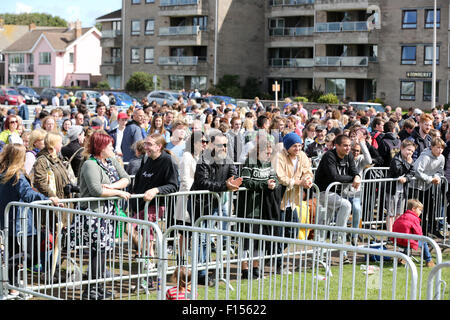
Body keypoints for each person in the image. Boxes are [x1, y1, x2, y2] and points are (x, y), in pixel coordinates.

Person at [72, 131, 131, 300]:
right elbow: (96, 190)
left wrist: (111, 188)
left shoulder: (111, 161)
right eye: (109, 145)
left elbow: (126, 178)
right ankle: (89, 290)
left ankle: (98, 288)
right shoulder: (90, 164)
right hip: (93, 214)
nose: (112, 148)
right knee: (97, 252)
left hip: (108, 213)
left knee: (103, 252)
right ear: (101, 147)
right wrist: (117, 193)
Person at [0, 144, 60, 296]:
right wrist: (48, 199)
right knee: (29, 255)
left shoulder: (4, 172)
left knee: (14, 253)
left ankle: (12, 285)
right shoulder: (16, 175)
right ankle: (11, 284)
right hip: (20, 223)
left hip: (10, 221)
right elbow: (28, 194)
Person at [190, 131, 242, 286]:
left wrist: (234, 183)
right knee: (201, 238)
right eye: (220, 145)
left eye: (225, 145)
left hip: (215, 203)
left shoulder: (228, 159)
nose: (223, 148)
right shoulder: (204, 160)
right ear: (212, 145)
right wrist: (224, 186)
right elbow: (203, 182)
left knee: (208, 239)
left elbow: (233, 175)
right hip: (200, 203)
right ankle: (202, 272)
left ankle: (207, 268)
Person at [237, 138, 282, 279]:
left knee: (259, 240)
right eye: (266, 153)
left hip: (263, 208)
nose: (268, 155)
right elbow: (245, 181)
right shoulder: (249, 163)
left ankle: (256, 267)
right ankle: (244, 269)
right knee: (245, 240)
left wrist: (274, 184)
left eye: (270, 153)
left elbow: (275, 178)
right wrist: (264, 185)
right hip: (247, 207)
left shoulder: (269, 164)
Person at [132, 133, 179, 265]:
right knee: (144, 233)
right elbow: (140, 178)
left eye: (149, 144)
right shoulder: (146, 159)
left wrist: (156, 190)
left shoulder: (167, 160)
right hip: (139, 203)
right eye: (145, 143)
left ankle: (150, 261)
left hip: (154, 204)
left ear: (159, 146)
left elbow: (174, 185)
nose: (145, 147)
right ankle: (150, 261)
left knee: (135, 229)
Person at [314, 134, 361, 245]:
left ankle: (323, 249)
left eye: (349, 145)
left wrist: (357, 176)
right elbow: (334, 176)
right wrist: (352, 179)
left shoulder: (348, 155)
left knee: (324, 222)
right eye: (345, 146)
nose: (348, 148)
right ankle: (337, 236)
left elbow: (354, 171)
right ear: (337, 146)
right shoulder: (329, 156)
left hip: (336, 193)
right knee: (346, 205)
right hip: (323, 192)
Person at [410, 137, 445, 238]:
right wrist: (430, 179)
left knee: (430, 208)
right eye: (438, 147)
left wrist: (437, 177)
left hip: (427, 186)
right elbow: (417, 171)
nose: (440, 150)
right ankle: (418, 231)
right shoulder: (425, 157)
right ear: (432, 147)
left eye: (442, 148)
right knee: (417, 210)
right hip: (415, 186)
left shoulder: (441, 158)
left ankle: (433, 229)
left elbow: (440, 170)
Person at [392, 199, 435, 268]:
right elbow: (419, 234)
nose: (421, 212)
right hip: (406, 242)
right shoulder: (414, 219)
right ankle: (428, 260)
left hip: (397, 241)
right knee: (424, 242)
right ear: (413, 209)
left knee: (408, 240)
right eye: (420, 210)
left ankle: (401, 258)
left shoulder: (401, 217)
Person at [386, 139, 416, 232]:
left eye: (412, 151)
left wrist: (406, 178)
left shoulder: (411, 161)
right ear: (402, 148)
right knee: (391, 213)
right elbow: (399, 170)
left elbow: (412, 172)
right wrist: (408, 162)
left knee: (399, 213)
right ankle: (390, 234)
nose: (410, 152)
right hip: (392, 189)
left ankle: (397, 232)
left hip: (403, 190)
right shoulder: (396, 159)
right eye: (408, 150)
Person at [32, 132, 71, 201]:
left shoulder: (57, 159)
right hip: (51, 205)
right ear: (54, 144)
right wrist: (53, 197)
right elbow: (41, 183)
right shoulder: (42, 161)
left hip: (63, 201)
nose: (62, 145)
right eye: (60, 143)